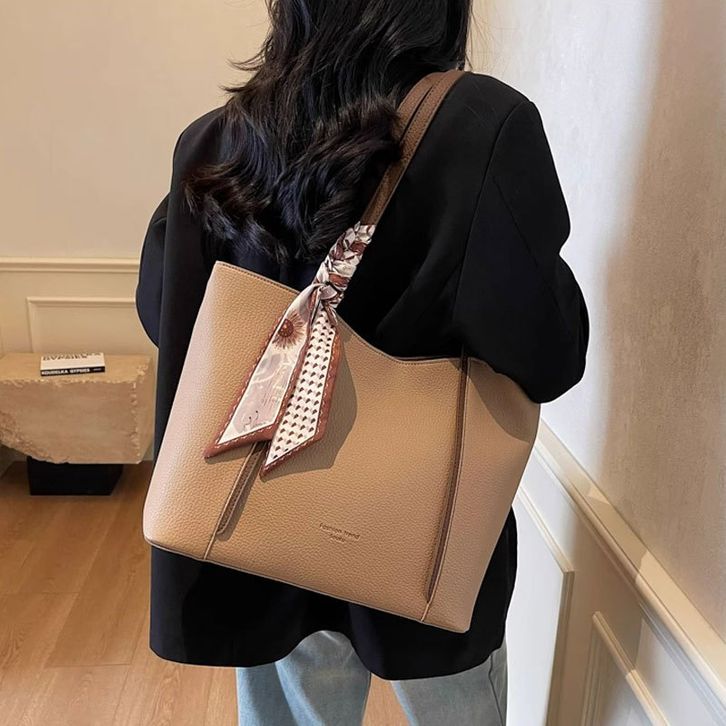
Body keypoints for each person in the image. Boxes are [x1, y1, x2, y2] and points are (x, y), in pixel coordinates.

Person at [135, 1, 589, 723]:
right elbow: (546, 350)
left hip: (260, 515)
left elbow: (167, 313)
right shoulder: (481, 128)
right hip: (421, 531)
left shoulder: (217, 140)